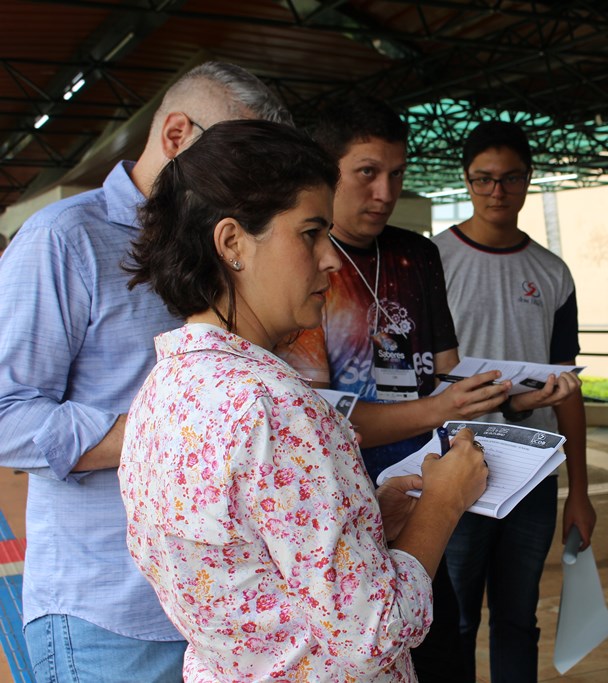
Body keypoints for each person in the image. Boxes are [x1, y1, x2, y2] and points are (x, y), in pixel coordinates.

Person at [119, 118, 489, 682]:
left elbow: (248, 565)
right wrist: (444, 501)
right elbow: (373, 629)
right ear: (232, 243)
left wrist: (364, 521)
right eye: (311, 233)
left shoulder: (165, 389)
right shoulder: (275, 408)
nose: (331, 258)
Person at [0, 61, 291, 682]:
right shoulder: (64, 239)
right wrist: (175, 434)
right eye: (237, 163)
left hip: (227, 612)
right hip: (112, 614)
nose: (249, 188)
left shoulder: (223, 245)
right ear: (177, 134)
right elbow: (7, 417)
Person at [276, 96, 582, 681]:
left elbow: (448, 376)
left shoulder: (417, 254)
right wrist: (440, 408)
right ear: (326, 170)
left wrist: (515, 399)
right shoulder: (307, 262)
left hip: (422, 483)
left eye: (397, 174)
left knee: (440, 642)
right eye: (367, 172)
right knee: (376, 643)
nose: (385, 193)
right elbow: (319, 420)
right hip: (344, 499)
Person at [433, 120, 597, 683]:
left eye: (510, 178)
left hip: (533, 472)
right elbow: (425, 376)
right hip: (456, 463)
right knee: (453, 621)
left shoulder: (551, 272)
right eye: (483, 179)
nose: (496, 191)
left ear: (528, 180)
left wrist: (580, 491)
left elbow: (567, 388)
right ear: (466, 180)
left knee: (518, 620)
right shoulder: (436, 260)